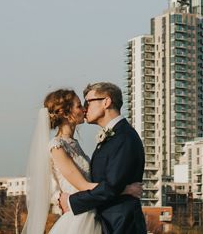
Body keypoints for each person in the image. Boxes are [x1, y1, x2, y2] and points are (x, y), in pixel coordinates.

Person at [22, 89, 141, 234]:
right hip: (78, 219)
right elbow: (84, 185)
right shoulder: (57, 147)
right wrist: (125, 189)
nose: (84, 109)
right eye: (79, 105)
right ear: (66, 113)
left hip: (91, 213)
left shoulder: (74, 144)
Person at [58, 82, 147, 234]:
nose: (85, 108)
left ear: (106, 102)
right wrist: (124, 190)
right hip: (108, 222)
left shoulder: (124, 137)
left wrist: (71, 201)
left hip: (121, 224)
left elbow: (111, 186)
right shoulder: (114, 137)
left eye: (88, 102)